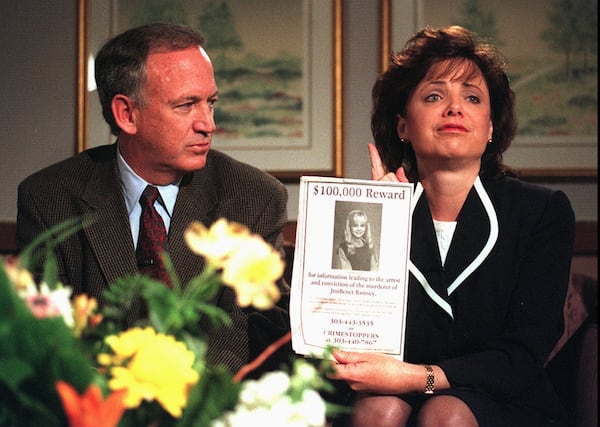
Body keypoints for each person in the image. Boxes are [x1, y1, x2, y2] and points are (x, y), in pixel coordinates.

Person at [327, 26, 575, 427]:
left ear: (491, 126)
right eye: (434, 96)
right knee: (380, 409)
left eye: (472, 98)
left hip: (506, 400)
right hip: (389, 395)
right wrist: (383, 216)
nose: (454, 108)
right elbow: (344, 340)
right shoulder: (368, 213)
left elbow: (522, 355)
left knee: (446, 413)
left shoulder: (542, 212)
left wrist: (416, 376)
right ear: (403, 125)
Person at [16, 23, 291, 377]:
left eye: (210, 103)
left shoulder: (254, 198)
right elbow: (45, 337)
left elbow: (247, 332)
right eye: (187, 105)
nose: (208, 124)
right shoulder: (49, 199)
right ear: (127, 114)